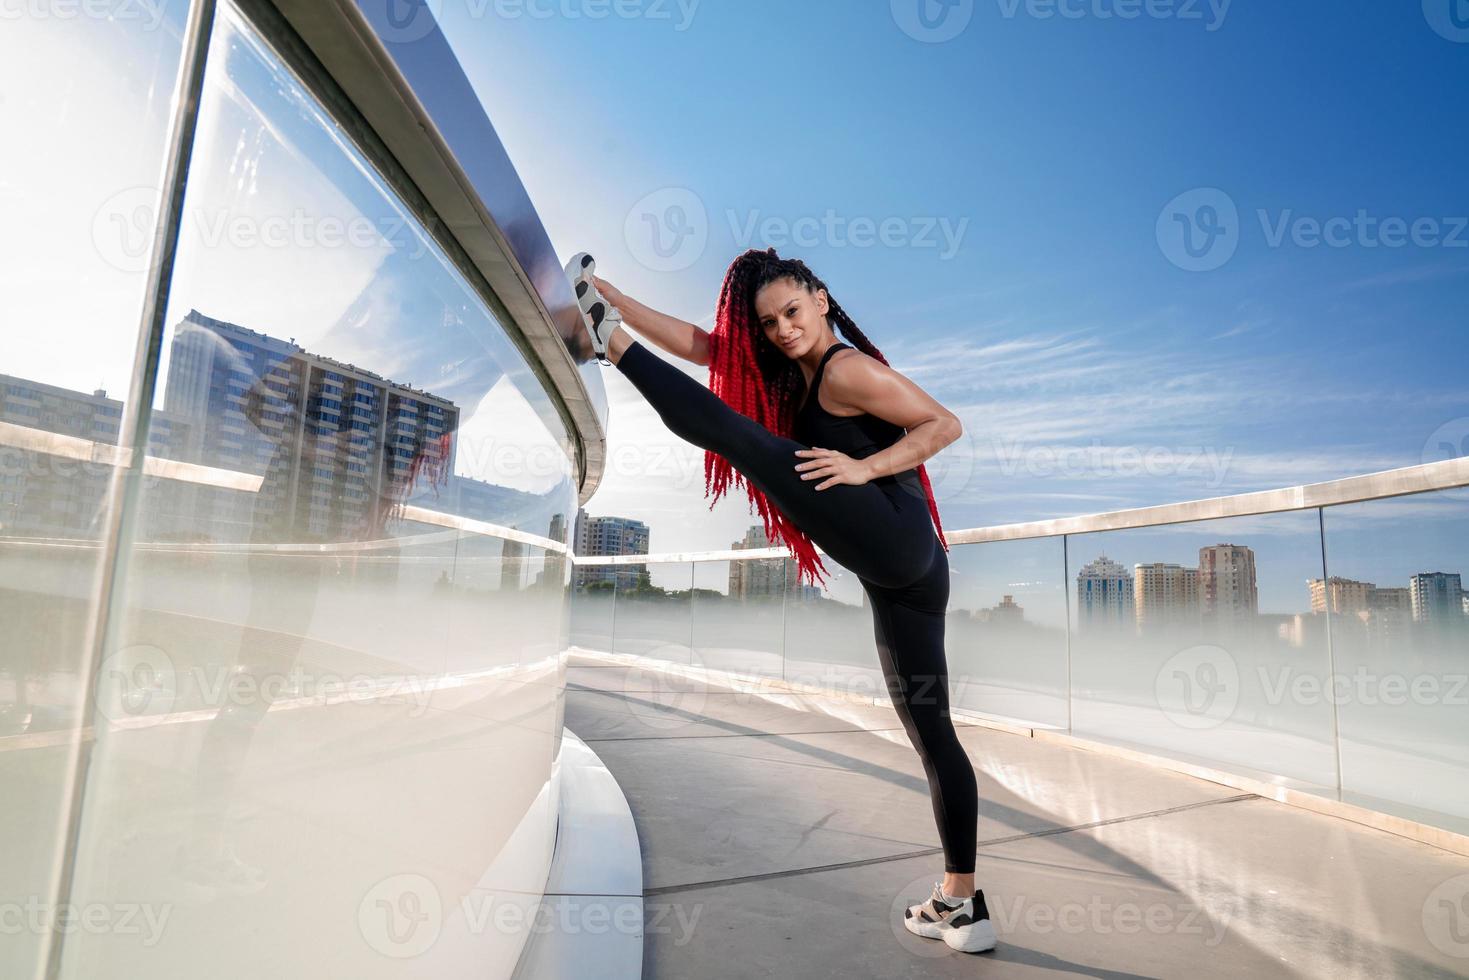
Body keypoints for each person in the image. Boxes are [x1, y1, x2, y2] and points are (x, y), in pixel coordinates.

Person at [566, 246, 996, 953]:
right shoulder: (785, 372)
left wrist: (864, 466)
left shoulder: (847, 369)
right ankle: (963, 902)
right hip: (907, 578)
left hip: (897, 540)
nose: (782, 330)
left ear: (821, 299)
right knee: (931, 733)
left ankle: (604, 340)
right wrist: (616, 292)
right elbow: (708, 347)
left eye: (792, 312)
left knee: (747, 443)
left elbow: (942, 425)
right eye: (768, 323)